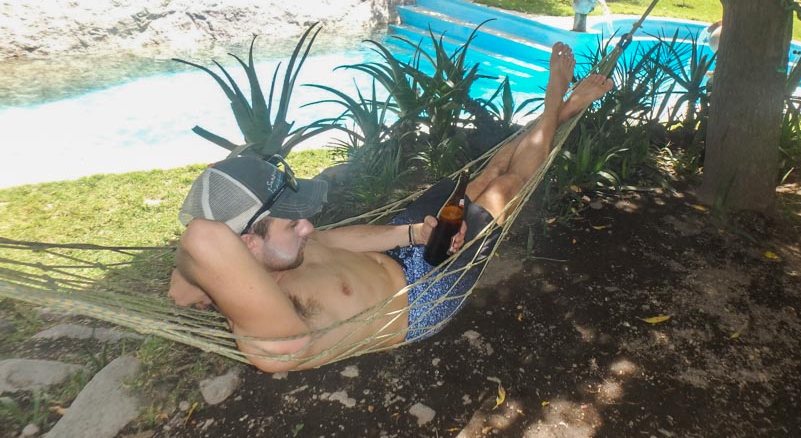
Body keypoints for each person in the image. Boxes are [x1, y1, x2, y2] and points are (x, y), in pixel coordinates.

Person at [169, 42, 613, 372]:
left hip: (405, 246)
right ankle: (560, 95)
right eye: (290, 222)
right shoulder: (272, 333)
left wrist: (412, 234)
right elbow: (200, 244)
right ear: (244, 241)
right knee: (507, 187)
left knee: (484, 176)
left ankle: (565, 108)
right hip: (422, 296)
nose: (306, 227)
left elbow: (336, 239)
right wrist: (203, 272)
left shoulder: (286, 246)